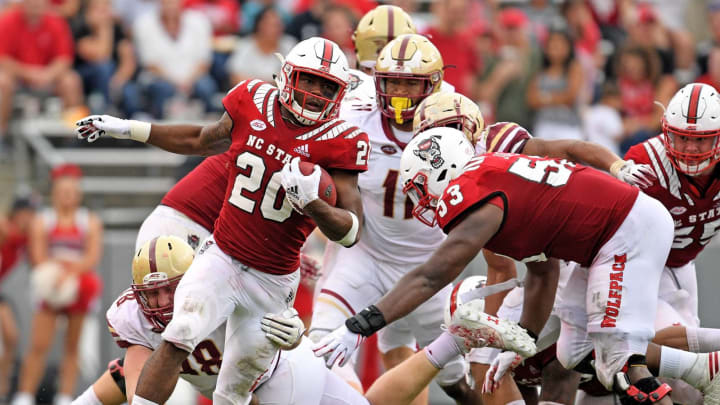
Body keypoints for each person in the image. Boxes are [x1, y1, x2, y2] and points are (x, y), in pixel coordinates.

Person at [75, 37, 369, 405]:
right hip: (223, 255)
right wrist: (128, 128)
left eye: (327, 86)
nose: (315, 93)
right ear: (288, 75)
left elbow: (351, 231)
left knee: (234, 390)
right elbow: (201, 138)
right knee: (179, 331)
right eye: (308, 80)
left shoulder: (342, 139)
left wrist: (315, 206)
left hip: (273, 280)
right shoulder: (252, 99)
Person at [314, 126, 678, 403]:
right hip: (611, 235)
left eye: (421, 188)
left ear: (443, 172)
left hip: (625, 232)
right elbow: (542, 270)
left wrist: (361, 325)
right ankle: (704, 367)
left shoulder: (474, 188)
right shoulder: (501, 179)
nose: (422, 203)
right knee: (574, 352)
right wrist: (521, 344)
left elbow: (431, 276)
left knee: (620, 363)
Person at [74, 236, 518, 405]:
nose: (162, 302)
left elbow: (277, 310)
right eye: (151, 294)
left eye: (170, 288)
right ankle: (455, 339)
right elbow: (137, 391)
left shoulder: (224, 284)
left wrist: (291, 327)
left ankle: (454, 339)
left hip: (276, 375)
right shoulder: (134, 321)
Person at [311, 33, 480, 404]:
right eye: (393, 82)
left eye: (410, 83)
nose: (400, 93)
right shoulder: (355, 115)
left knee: (456, 382)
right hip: (367, 256)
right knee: (320, 345)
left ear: (434, 86)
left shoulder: (455, 123)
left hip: (429, 268)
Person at [12, 164, 103, 405]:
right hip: (51, 286)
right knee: (39, 344)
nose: (67, 196)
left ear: (78, 194)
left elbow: (92, 256)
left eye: (72, 192)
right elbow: (38, 255)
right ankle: (25, 395)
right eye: (63, 192)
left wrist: (70, 272)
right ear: (54, 193)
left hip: (77, 286)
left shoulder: (89, 221)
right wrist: (58, 273)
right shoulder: (44, 220)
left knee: (72, 346)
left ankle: (64, 396)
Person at [0, 197, 35, 402]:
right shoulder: (6, 229)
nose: (28, 219)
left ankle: (2, 389)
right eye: (25, 214)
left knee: (11, 337)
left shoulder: (23, 239)